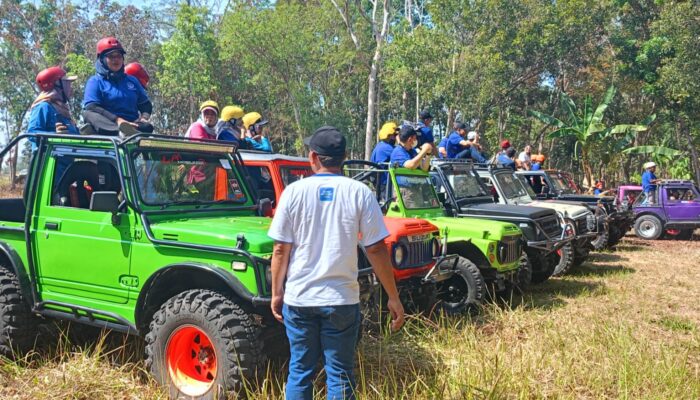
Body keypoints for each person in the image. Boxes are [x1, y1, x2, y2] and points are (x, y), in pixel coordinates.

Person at [268, 125, 404, 400]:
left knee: (300, 370)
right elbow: (376, 248)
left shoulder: (293, 193)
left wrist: (277, 293)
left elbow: (281, 249)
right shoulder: (359, 192)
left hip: (300, 299)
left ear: (313, 157)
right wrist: (393, 297)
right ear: (344, 157)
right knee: (340, 374)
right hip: (341, 299)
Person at [82, 37, 153, 136]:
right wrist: (118, 120)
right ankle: (118, 132)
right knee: (88, 114)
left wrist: (143, 119)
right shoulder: (95, 81)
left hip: (132, 124)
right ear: (102, 59)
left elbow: (146, 104)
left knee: (148, 127)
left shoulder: (132, 80)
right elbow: (92, 106)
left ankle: (129, 131)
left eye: (119, 56)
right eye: (111, 56)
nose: (116, 60)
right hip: (109, 123)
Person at [29, 66, 79, 135]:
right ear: (57, 85)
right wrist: (54, 135)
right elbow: (32, 133)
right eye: (66, 83)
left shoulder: (63, 110)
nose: (70, 87)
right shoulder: (43, 107)